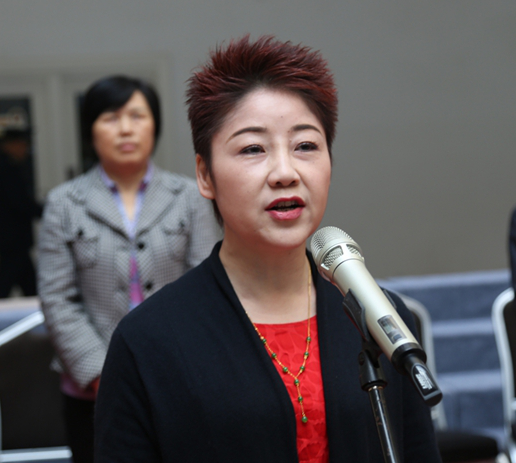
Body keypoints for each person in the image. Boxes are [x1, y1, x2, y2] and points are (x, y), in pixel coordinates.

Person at [94, 36, 442, 462]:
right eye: (253, 149)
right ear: (205, 175)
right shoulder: (148, 339)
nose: (285, 172)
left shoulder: (379, 318)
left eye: (305, 146)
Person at [37, 75, 218, 463]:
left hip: (178, 376)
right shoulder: (64, 203)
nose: (125, 129)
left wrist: (174, 367)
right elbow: (56, 298)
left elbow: (207, 286)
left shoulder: (190, 197)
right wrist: (103, 374)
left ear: (155, 125)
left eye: (137, 116)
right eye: (110, 117)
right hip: (90, 390)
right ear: (90, 130)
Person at [0, 129, 43, 299]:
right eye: (22, 145)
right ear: (10, 145)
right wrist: (44, 211)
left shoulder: (2, 166)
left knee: (25, 282)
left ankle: (39, 306)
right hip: (12, 238)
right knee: (5, 283)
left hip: (11, 239)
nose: (25, 150)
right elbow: (19, 202)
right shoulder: (6, 169)